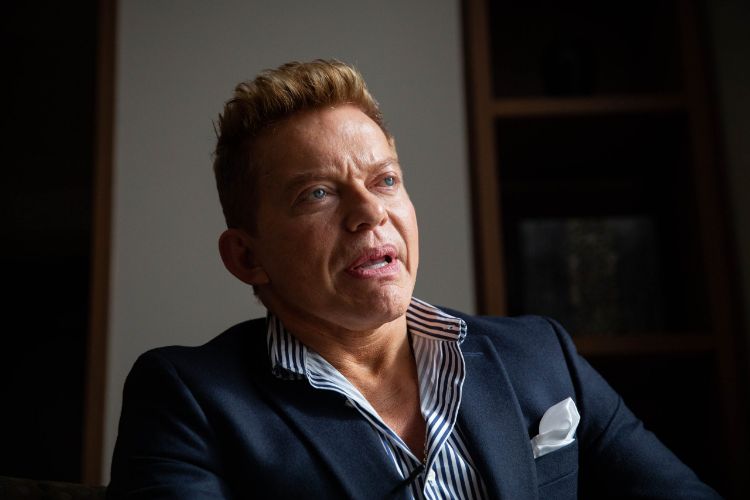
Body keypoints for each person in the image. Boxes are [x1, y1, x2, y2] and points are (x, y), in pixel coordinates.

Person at [108, 60, 721, 499]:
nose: (369, 213)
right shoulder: (188, 400)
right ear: (247, 258)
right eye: (317, 193)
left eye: (385, 180)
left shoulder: (542, 355)